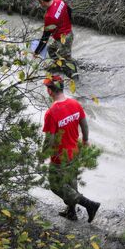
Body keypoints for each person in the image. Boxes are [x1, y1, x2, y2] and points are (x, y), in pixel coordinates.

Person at [41, 75, 100, 222]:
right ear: (62, 87)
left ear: (49, 91)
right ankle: (71, 212)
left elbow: (50, 139)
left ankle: (89, 204)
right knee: (71, 182)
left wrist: (43, 154)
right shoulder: (75, 104)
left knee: (55, 184)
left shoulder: (51, 113)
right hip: (75, 150)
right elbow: (84, 124)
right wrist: (85, 140)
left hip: (60, 156)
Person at [33, 0, 78, 79]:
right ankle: (59, 66)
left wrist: (37, 51)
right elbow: (69, 10)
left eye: (39, 2)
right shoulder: (59, 1)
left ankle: (75, 78)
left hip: (63, 39)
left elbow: (45, 36)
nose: (39, 4)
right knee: (51, 49)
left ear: (42, 1)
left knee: (66, 60)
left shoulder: (49, 16)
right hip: (68, 33)